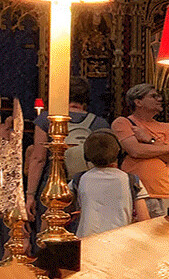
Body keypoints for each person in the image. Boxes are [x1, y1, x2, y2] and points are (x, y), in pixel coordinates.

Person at [26, 77, 110, 223]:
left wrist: (30, 195)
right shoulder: (99, 123)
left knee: (49, 232)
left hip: (52, 186)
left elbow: (38, 159)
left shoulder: (47, 119)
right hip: (86, 185)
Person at [112, 84, 169, 217]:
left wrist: (149, 139)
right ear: (138, 102)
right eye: (153, 96)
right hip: (136, 193)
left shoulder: (167, 127)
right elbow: (136, 151)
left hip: (163, 191)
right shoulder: (123, 123)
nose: (159, 99)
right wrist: (168, 148)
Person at [72, 131, 150, 237]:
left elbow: (54, 207)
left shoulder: (79, 179)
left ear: (87, 156)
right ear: (118, 153)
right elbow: (144, 219)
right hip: (120, 242)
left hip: (86, 242)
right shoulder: (131, 180)